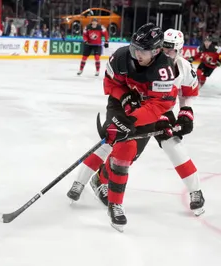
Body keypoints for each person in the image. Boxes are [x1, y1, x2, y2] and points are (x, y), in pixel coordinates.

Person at [67, 28, 205, 218]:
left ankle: (195, 190)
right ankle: (86, 180)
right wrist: (125, 99)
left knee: (174, 147)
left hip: (158, 110)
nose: (167, 52)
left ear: (180, 50)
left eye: (171, 49)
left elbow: (186, 94)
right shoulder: (143, 60)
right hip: (137, 108)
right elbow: (115, 85)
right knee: (117, 145)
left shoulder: (183, 68)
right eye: (164, 47)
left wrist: (185, 112)